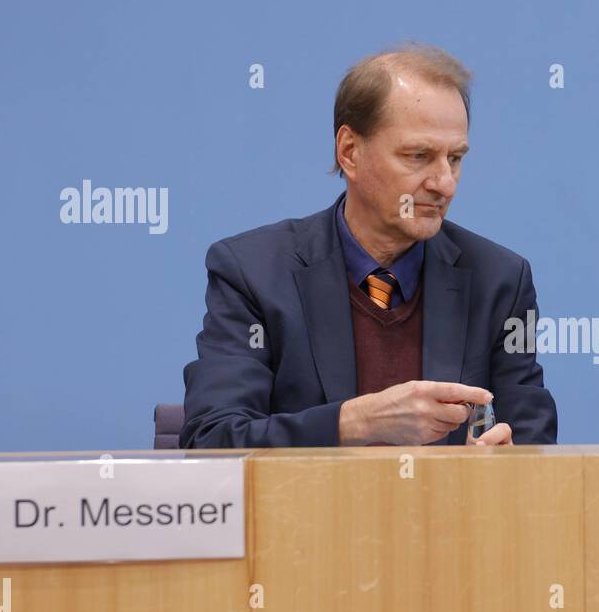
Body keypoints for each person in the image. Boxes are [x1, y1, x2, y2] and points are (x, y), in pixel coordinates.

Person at [181, 44, 558, 448]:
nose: (444, 183)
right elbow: (212, 440)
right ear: (350, 152)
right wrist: (353, 423)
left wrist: (505, 466)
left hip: (446, 512)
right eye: (419, 155)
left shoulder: (499, 281)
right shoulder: (253, 273)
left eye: (455, 158)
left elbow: (532, 441)